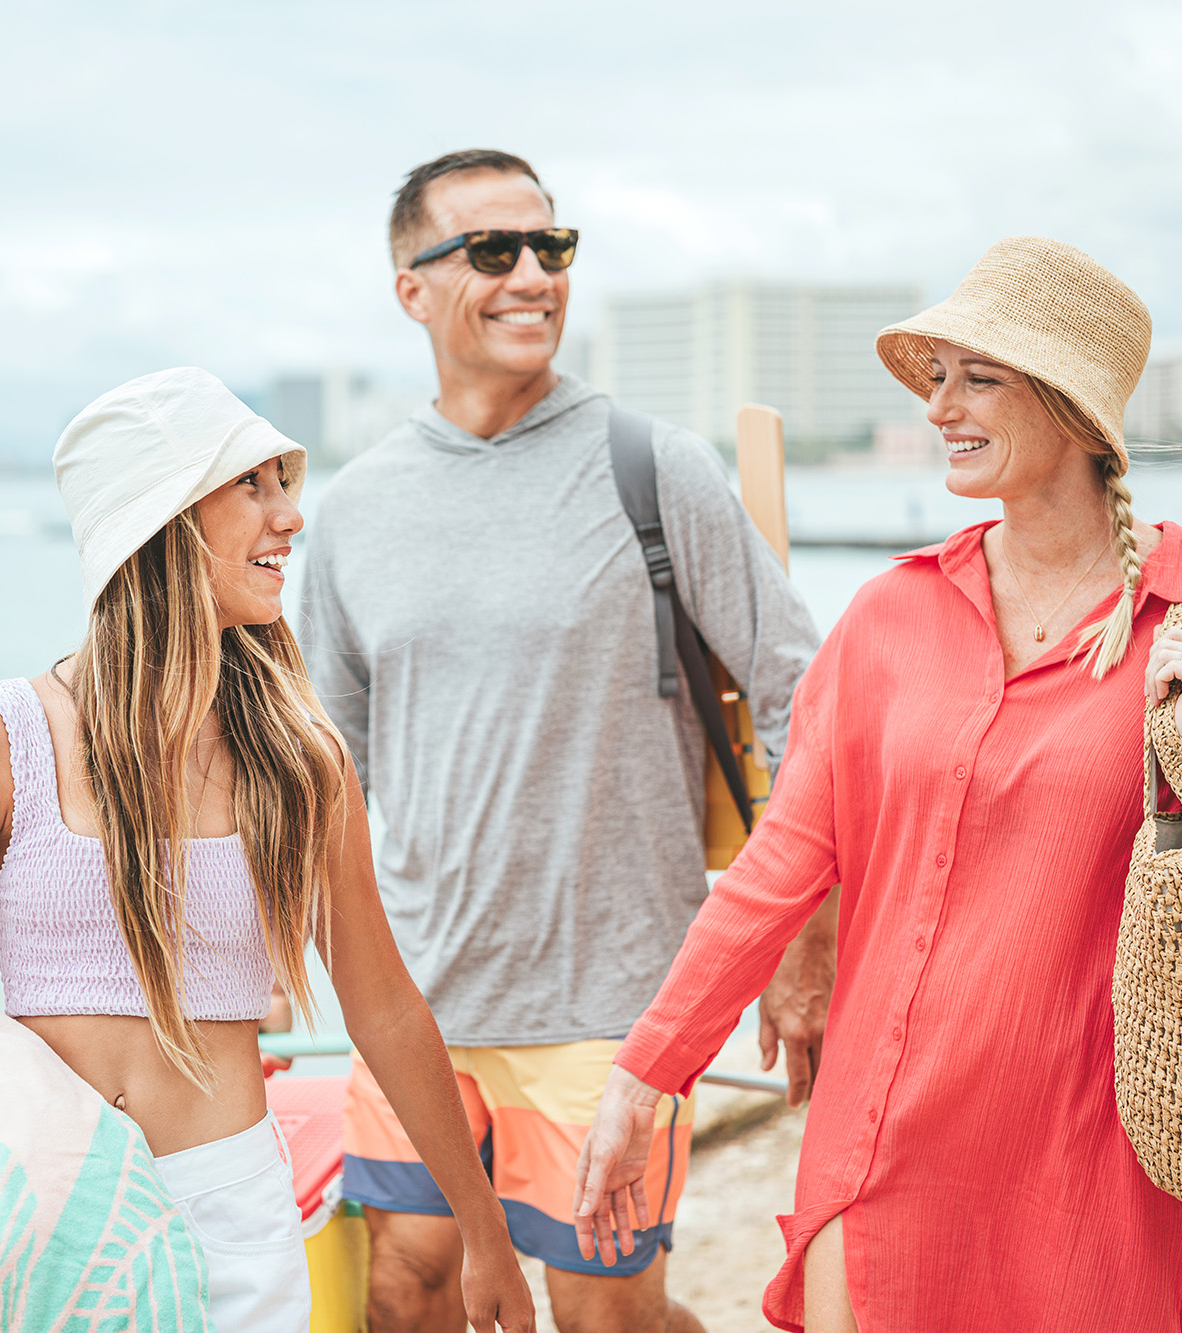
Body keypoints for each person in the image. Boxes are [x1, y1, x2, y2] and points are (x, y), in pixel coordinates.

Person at [573, 236, 1182, 1332]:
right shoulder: (887, 620)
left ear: (1073, 407)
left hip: (1079, 1168)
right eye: (934, 378)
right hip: (873, 1149)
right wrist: (645, 1075)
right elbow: (777, 867)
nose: (938, 407)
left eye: (976, 378)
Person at [0, 368, 537, 1332]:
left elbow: (383, 1005)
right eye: (251, 485)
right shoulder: (2, 740)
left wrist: (483, 1225)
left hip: (234, 1213)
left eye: (284, 482)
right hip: (48, 1200)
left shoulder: (300, 756)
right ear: (157, 520)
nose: (290, 515)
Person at [299, 148, 833, 1333]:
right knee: (404, 1287)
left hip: (615, 1001)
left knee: (602, 1314)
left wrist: (804, 935)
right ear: (412, 286)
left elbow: (807, 691)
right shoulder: (354, 511)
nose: (532, 274)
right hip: (422, 995)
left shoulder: (651, 468)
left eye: (552, 248)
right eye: (493, 251)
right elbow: (328, 770)